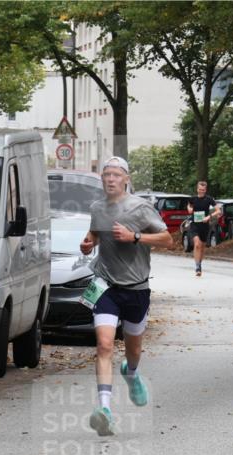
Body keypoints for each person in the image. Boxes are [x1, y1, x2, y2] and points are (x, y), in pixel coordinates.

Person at [79, 156, 174, 436]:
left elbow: (168, 240)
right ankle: (104, 410)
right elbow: (95, 233)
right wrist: (88, 243)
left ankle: (131, 373)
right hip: (106, 285)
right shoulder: (97, 207)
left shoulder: (140, 208)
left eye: (116, 175)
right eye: (106, 174)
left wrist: (135, 237)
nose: (110, 179)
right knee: (104, 345)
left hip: (136, 289)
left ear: (126, 179)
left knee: (133, 349)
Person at [186, 181, 222, 276]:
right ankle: (197, 267)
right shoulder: (193, 199)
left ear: (205, 190)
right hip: (194, 225)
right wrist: (189, 209)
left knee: (202, 247)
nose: (201, 191)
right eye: (200, 189)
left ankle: (199, 264)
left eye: (203, 190)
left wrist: (209, 217)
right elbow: (189, 206)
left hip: (204, 225)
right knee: (197, 244)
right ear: (197, 189)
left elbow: (218, 210)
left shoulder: (209, 199)